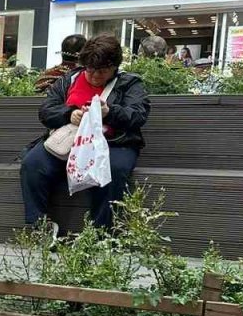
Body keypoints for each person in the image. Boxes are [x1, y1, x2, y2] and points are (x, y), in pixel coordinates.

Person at [20, 33, 150, 230]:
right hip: (68, 142)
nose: (96, 76)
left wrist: (109, 112)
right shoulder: (69, 79)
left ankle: (101, 233)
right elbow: (46, 110)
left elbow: (138, 116)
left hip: (114, 143)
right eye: (91, 70)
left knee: (111, 170)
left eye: (103, 71)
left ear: (115, 67)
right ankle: (38, 226)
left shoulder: (130, 84)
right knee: (33, 164)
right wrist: (69, 114)